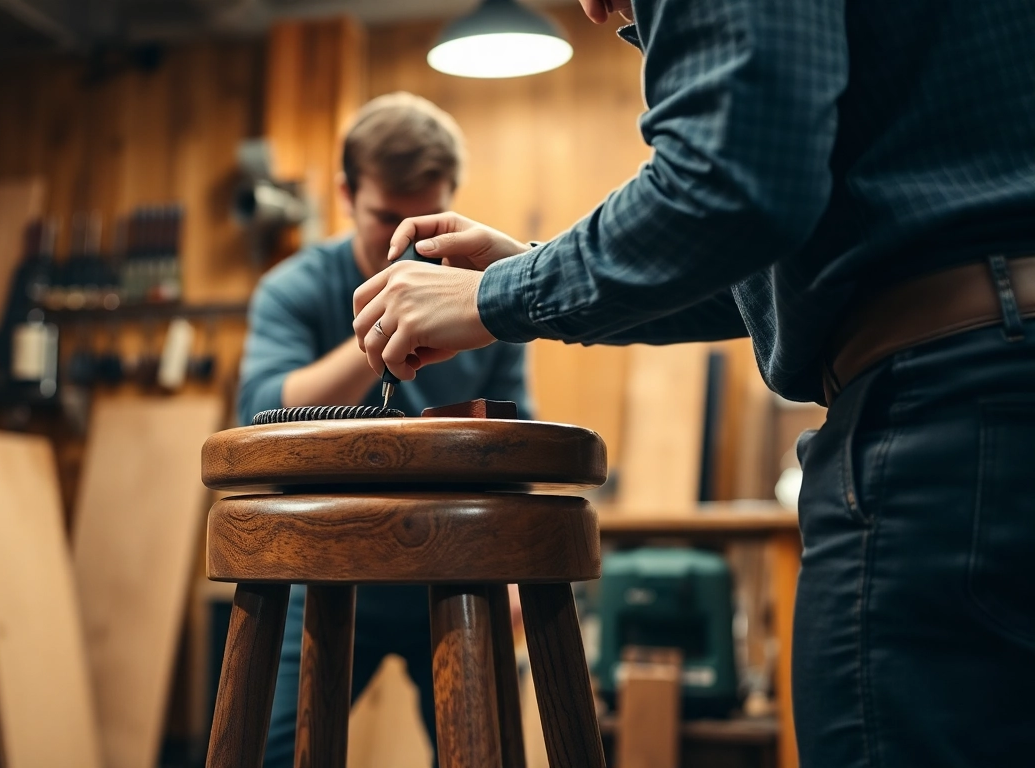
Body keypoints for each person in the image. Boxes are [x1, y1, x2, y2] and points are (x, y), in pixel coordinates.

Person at [351, 1, 1035, 766]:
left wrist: (497, 297)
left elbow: (730, 180)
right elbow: (761, 242)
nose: (596, 9)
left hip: (948, 407)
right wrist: (523, 276)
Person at [238, 92, 531, 767]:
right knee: (273, 754)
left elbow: (512, 437)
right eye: (385, 219)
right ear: (345, 194)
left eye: (423, 218)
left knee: (484, 755)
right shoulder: (293, 289)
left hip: (455, 562)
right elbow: (260, 408)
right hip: (324, 566)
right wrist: (384, 319)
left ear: (452, 194)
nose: (407, 242)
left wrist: (514, 570)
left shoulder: (487, 288)